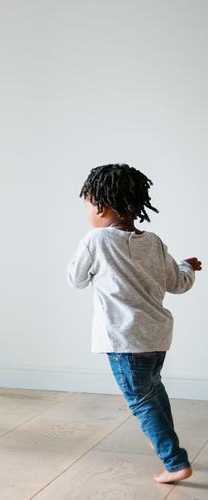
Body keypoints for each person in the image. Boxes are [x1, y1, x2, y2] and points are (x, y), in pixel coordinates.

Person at [67, 164, 201, 483]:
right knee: (153, 391)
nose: (87, 213)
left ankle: (174, 462)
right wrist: (187, 266)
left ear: (102, 205)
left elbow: (76, 279)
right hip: (157, 337)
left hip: (123, 341)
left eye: (86, 204)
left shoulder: (95, 240)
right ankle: (175, 453)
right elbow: (179, 284)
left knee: (141, 402)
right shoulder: (153, 241)